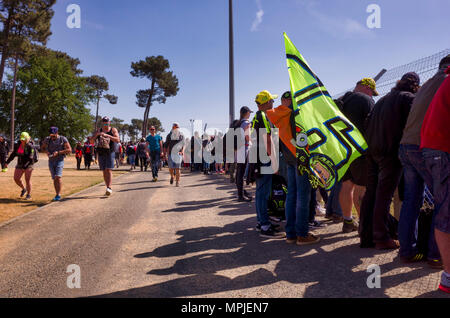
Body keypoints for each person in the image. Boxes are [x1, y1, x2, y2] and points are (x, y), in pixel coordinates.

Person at [398, 55, 450, 265]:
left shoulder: (428, 83)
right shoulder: (445, 80)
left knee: (412, 200)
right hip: (425, 145)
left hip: (406, 145)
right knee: (442, 199)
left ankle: (407, 250)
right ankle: (436, 255)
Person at [360, 72, 420, 250]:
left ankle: (366, 235)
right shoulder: (408, 98)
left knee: (372, 192)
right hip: (390, 150)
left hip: (372, 149)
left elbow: (367, 121)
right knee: (384, 195)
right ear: (415, 85)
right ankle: (381, 236)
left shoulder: (383, 99)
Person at [266, 91, 319, 244]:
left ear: (283, 100)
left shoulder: (276, 116)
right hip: (301, 160)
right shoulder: (296, 115)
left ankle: (290, 233)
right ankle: (302, 234)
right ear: (291, 100)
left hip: (288, 160)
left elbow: (273, 140)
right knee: (303, 196)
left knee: (291, 195)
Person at [420, 65, 450, 294]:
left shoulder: (442, 81)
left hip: (431, 148)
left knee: (442, 208)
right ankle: (448, 276)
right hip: (442, 149)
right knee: (446, 212)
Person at [337, 78, 377, 233]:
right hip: (360, 150)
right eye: (372, 92)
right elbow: (372, 125)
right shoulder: (365, 100)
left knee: (346, 186)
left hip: (342, 149)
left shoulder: (341, 100)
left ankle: (347, 221)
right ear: (366, 88)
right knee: (361, 187)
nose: (372, 96)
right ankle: (364, 224)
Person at [251, 90, 282, 238]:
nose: (273, 103)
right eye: (271, 101)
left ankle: (261, 222)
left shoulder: (256, 117)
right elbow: (267, 140)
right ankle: (264, 225)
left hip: (258, 157)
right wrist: (275, 162)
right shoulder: (262, 116)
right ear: (266, 102)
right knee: (262, 194)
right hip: (263, 158)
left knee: (260, 193)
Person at [91, 117, 120, 196]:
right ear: (102, 123)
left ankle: (109, 187)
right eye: (104, 122)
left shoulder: (113, 130)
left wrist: (107, 135)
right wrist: (97, 134)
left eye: (107, 122)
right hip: (101, 152)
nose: (105, 124)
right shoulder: (99, 130)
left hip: (110, 152)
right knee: (104, 170)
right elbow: (91, 141)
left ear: (109, 122)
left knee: (109, 169)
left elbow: (117, 140)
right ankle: (107, 186)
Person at [41, 127, 72, 202]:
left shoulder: (63, 139)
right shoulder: (47, 139)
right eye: (51, 135)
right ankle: (57, 194)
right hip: (51, 161)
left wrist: (58, 152)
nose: (52, 137)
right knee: (54, 178)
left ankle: (58, 194)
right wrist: (46, 152)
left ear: (57, 133)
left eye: (54, 135)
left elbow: (69, 150)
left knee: (58, 176)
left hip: (59, 160)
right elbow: (42, 148)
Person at [5, 132, 36, 200]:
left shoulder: (31, 146)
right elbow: (13, 155)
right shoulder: (18, 145)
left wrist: (25, 167)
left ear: (27, 139)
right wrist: (7, 162)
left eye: (24, 139)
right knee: (16, 179)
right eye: (21, 139)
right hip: (20, 164)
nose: (22, 140)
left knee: (27, 179)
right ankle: (24, 189)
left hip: (29, 164)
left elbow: (31, 158)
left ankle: (28, 194)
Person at [236, 106, 253, 202]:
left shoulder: (238, 123)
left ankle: (241, 193)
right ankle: (241, 195)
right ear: (246, 113)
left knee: (239, 172)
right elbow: (248, 137)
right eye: (249, 112)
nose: (250, 114)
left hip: (238, 149)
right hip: (244, 148)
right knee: (241, 173)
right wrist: (253, 142)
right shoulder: (246, 123)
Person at [164, 123, 184, 187]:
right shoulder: (169, 135)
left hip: (178, 154)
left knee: (178, 168)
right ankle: (172, 176)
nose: (176, 128)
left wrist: (182, 152)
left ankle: (177, 182)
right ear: (172, 128)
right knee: (171, 168)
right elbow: (166, 145)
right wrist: (164, 154)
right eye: (175, 127)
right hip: (170, 154)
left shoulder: (181, 135)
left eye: (177, 127)